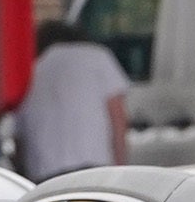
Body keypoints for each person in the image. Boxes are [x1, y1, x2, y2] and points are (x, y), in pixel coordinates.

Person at [15, 18, 130, 180]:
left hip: (46, 174)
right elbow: (117, 117)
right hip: (94, 169)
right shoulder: (98, 57)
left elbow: (20, 137)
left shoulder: (33, 69)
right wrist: (121, 168)